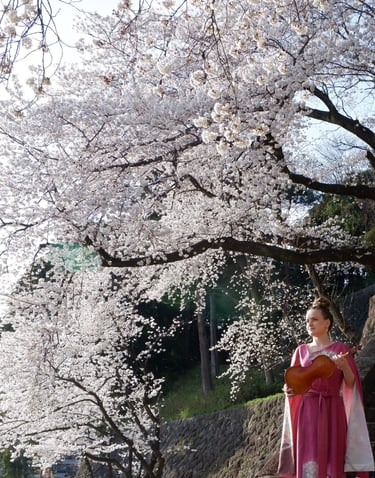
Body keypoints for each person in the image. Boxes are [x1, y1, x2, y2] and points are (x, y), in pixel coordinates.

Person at [278, 296, 375, 478]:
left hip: (333, 409)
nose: (309, 324)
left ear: (327, 323)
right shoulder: (301, 351)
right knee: (308, 453)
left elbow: (351, 384)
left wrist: (345, 366)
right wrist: (288, 390)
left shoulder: (340, 348)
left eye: (314, 319)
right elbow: (294, 382)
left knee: (333, 455)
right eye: (307, 320)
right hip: (308, 410)